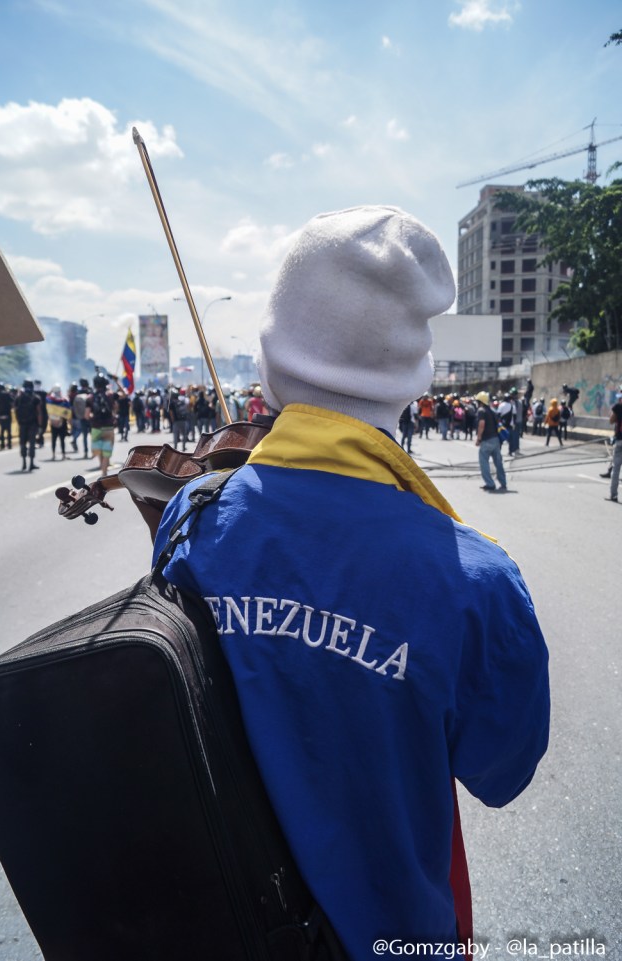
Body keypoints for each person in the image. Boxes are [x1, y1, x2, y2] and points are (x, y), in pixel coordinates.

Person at [152, 206, 550, 958]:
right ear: (411, 377)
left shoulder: (188, 519)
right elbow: (502, 770)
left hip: (225, 930)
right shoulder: (478, 578)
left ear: (272, 359)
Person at [475, 390, 508, 491]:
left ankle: (490, 484)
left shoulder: (481, 411)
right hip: (495, 440)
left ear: (480, 401)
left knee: (484, 462)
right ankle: (503, 483)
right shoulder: (492, 410)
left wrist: (479, 438)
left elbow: (481, 424)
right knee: (498, 463)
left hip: (486, 441)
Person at [86, 372, 116, 474]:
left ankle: (102, 469)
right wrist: (116, 380)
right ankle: (104, 473)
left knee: (99, 451)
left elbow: (87, 415)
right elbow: (124, 394)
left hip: (96, 427)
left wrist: (93, 418)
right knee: (107, 453)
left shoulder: (90, 398)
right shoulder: (111, 395)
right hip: (108, 427)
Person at [14, 380, 42, 471]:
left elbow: (15, 411)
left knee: (23, 444)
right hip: (32, 424)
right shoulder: (35, 398)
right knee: (32, 443)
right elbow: (39, 413)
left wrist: (19, 421)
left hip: (22, 424)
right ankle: (31, 464)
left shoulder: (19, 398)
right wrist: (40, 425)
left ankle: (24, 463)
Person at [605, 390, 622, 502]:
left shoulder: (618, 407)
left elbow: (611, 421)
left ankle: (613, 495)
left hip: (620, 441)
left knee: (616, 469)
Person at [46, 384, 71, 460]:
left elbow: (46, 397)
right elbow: (68, 412)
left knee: (54, 439)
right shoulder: (64, 400)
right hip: (62, 422)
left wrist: (51, 391)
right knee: (62, 440)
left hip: (53, 423)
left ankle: (53, 455)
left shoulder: (50, 400)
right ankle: (63, 454)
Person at [0, 383, 13, 450]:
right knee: (9, 431)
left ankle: (2, 445)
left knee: (2, 431)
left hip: (0, 415)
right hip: (8, 415)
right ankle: (9, 445)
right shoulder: (7, 394)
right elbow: (12, 402)